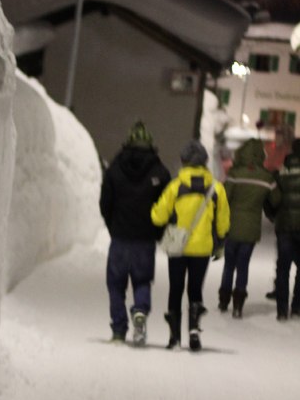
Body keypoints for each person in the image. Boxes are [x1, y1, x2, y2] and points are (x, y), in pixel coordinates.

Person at [151, 139, 230, 351]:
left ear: (183, 161)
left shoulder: (175, 186)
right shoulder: (216, 189)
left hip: (178, 246)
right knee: (195, 289)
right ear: (204, 162)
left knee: (175, 289)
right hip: (202, 248)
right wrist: (220, 242)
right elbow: (223, 221)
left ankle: (174, 338)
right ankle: (194, 330)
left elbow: (158, 217)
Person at [99, 120, 171, 344]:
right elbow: (167, 206)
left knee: (115, 285)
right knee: (141, 281)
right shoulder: (159, 171)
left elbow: (105, 203)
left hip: (120, 238)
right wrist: (158, 232)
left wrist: (113, 226)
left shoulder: (115, 168)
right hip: (145, 240)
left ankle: (119, 330)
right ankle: (140, 311)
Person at [217, 138, 276, 318]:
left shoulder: (235, 174)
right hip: (251, 229)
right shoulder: (267, 178)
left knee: (229, 265)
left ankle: (224, 300)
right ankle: (238, 305)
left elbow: (224, 197)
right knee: (243, 266)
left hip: (232, 226)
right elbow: (276, 200)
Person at [267, 138, 300, 321]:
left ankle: (281, 310)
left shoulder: (281, 172)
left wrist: (272, 215)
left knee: (283, 268)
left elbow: (271, 197)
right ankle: (296, 308)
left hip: (285, 226)